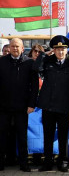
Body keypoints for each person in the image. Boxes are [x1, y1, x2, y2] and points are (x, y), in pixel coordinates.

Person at [33, 36, 69, 172]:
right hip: (48, 105)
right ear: (53, 50)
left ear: (67, 50)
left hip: (65, 105)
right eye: (58, 49)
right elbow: (35, 68)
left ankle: (63, 161)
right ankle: (48, 161)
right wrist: (43, 54)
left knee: (63, 135)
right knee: (47, 135)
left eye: (63, 49)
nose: (60, 52)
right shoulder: (47, 61)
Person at [0, 38, 39, 172]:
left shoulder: (29, 63)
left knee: (22, 137)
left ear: (23, 48)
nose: (15, 49)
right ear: (9, 48)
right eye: (12, 46)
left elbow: (34, 86)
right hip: (3, 107)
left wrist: (31, 104)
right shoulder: (2, 62)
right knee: (2, 136)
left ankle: (24, 164)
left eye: (17, 46)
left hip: (22, 107)